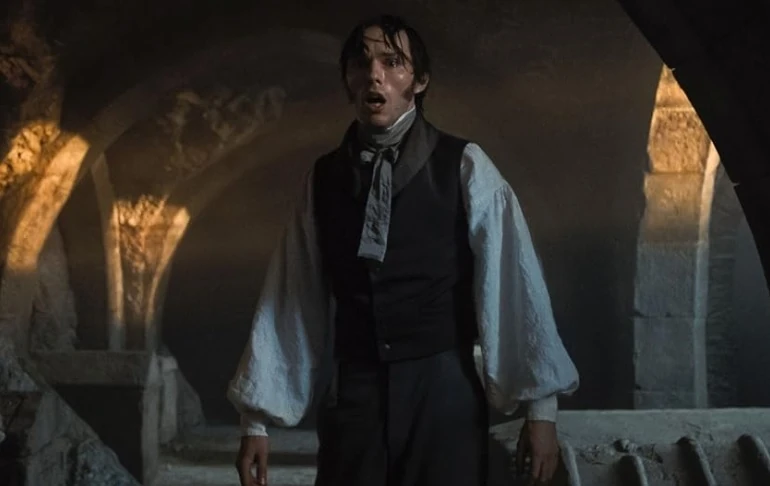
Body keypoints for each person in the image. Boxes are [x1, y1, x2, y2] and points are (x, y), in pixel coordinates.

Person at [227, 14, 579, 486]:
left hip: (443, 394)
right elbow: (291, 297)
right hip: (356, 395)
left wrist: (541, 411)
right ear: (348, 79)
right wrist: (256, 421)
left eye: (392, 62)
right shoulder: (325, 179)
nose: (374, 74)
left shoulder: (465, 165)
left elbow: (513, 283)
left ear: (420, 80)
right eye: (361, 63)